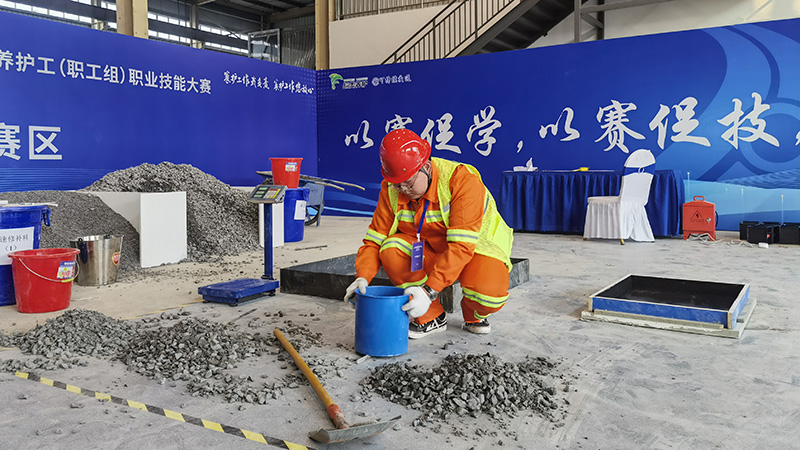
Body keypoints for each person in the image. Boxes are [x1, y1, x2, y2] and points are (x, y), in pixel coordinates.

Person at [343, 128, 514, 339]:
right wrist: (362, 277)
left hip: (474, 252)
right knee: (391, 249)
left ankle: (473, 314)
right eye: (397, 184)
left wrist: (428, 291)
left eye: (408, 182)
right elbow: (374, 240)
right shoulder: (391, 189)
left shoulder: (461, 181)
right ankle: (431, 317)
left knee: (488, 295)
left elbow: (461, 246)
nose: (403, 189)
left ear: (425, 167)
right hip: (432, 252)